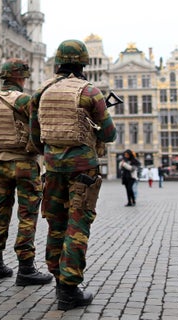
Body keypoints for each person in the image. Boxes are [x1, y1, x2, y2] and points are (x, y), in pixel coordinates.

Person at [30, 39, 116, 311]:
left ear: (58, 63)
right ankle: (69, 290)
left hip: (53, 169)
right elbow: (109, 133)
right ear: (83, 63)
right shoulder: (90, 92)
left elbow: (34, 136)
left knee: (56, 224)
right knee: (77, 224)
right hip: (82, 171)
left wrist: (52, 150)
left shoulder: (40, 92)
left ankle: (58, 278)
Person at [0, 58, 51, 286]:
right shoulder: (24, 100)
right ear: (20, 77)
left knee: (1, 212)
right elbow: (38, 129)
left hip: (1, 163)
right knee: (27, 214)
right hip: (24, 163)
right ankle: (26, 268)